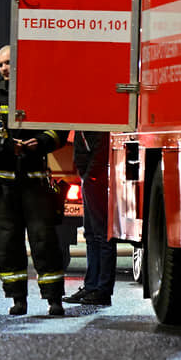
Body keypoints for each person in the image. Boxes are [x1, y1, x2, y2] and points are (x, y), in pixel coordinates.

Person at [0, 45, 69, 315]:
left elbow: (60, 127)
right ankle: (17, 299)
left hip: (35, 184)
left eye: (9, 62)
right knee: (8, 243)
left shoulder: (41, 95)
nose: (4, 68)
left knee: (44, 241)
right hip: (3, 187)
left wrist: (42, 141)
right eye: (1, 64)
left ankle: (54, 299)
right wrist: (4, 146)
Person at [63, 131, 116, 305]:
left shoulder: (96, 121)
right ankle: (93, 286)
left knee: (100, 235)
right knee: (92, 235)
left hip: (95, 177)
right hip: (91, 176)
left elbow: (100, 148)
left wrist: (89, 174)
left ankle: (101, 289)